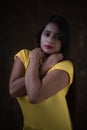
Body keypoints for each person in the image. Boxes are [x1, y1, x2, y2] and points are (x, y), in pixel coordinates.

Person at [9, 14, 75, 130]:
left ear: (64, 42)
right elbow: (13, 91)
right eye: (47, 34)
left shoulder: (64, 66)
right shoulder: (24, 56)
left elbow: (34, 96)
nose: (50, 40)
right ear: (40, 36)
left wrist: (34, 62)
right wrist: (42, 66)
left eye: (58, 37)